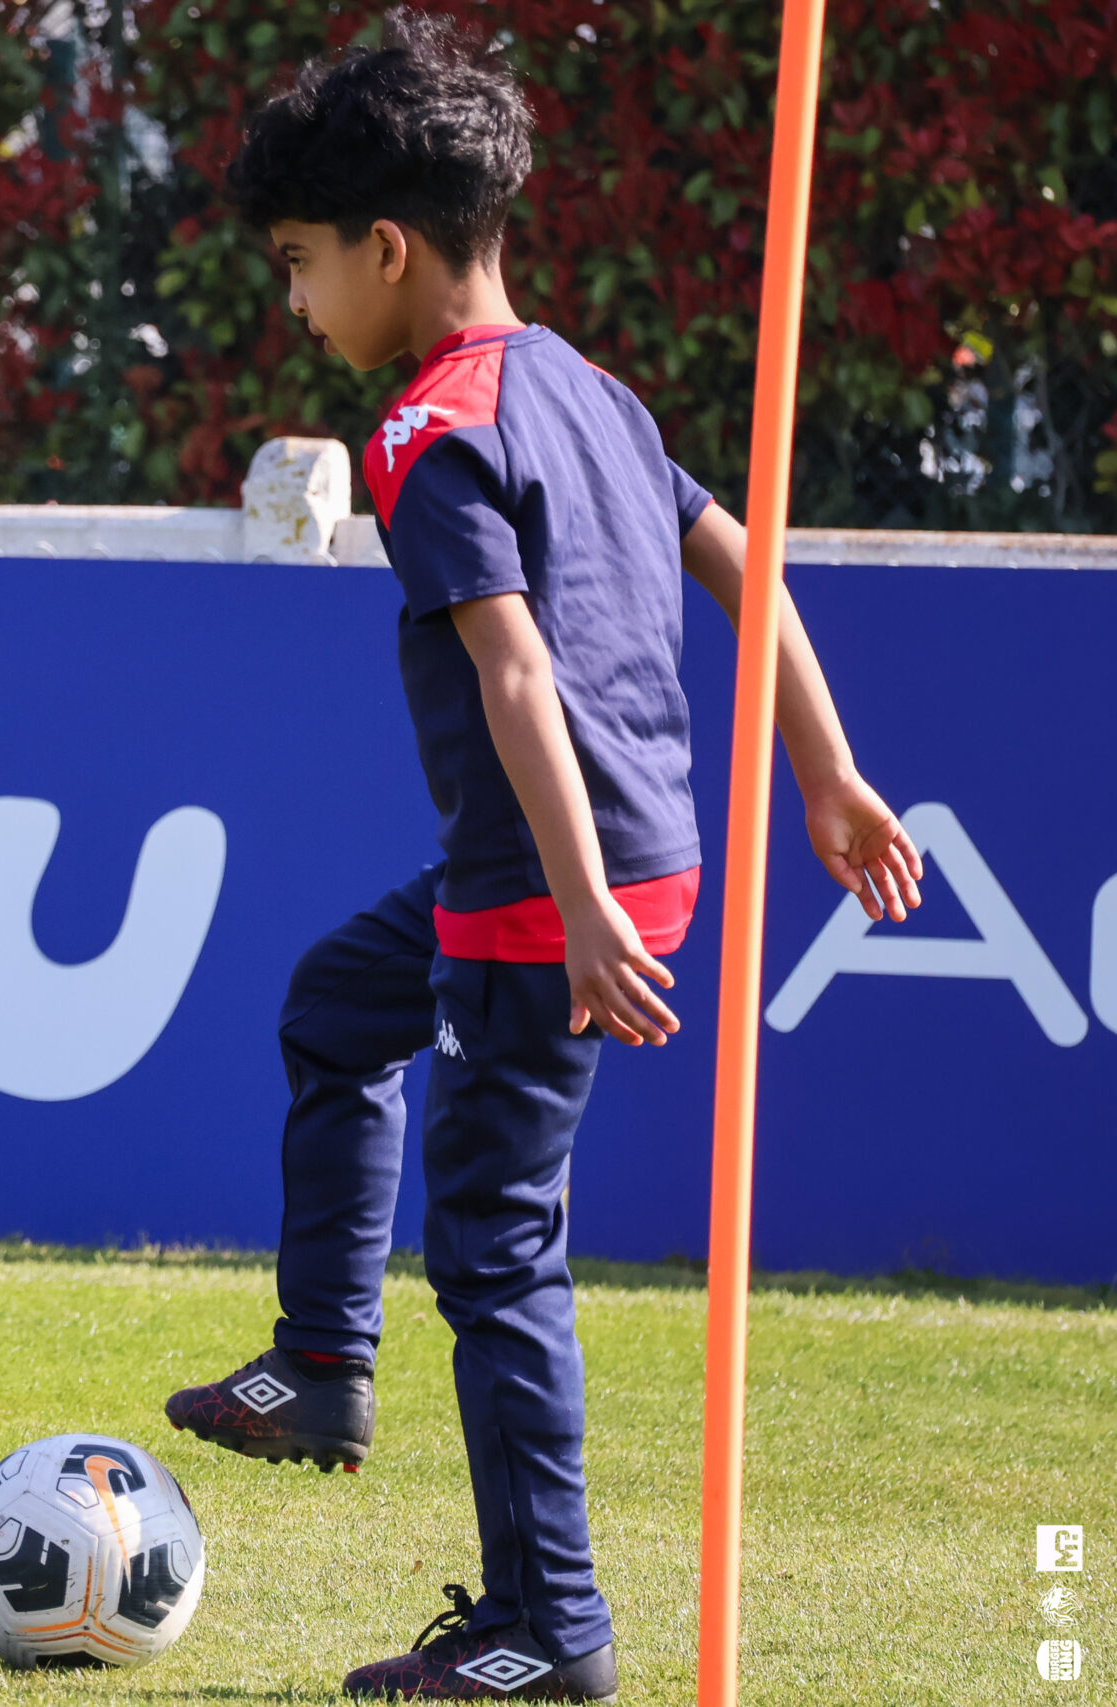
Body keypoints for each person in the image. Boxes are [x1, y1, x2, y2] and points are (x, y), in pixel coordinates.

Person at [158, 14, 925, 1699]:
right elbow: (752, 567)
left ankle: (545, 1633)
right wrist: (831, 777)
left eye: (299, 265)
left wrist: (575, 910)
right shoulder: (589, 389)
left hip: (547, 889)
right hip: (625, 854)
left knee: (498, 1254)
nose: (296, 304)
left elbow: (514, 676)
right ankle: (321, 1367)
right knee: (336, 1004)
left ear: (386, 247)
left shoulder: (432, 432)